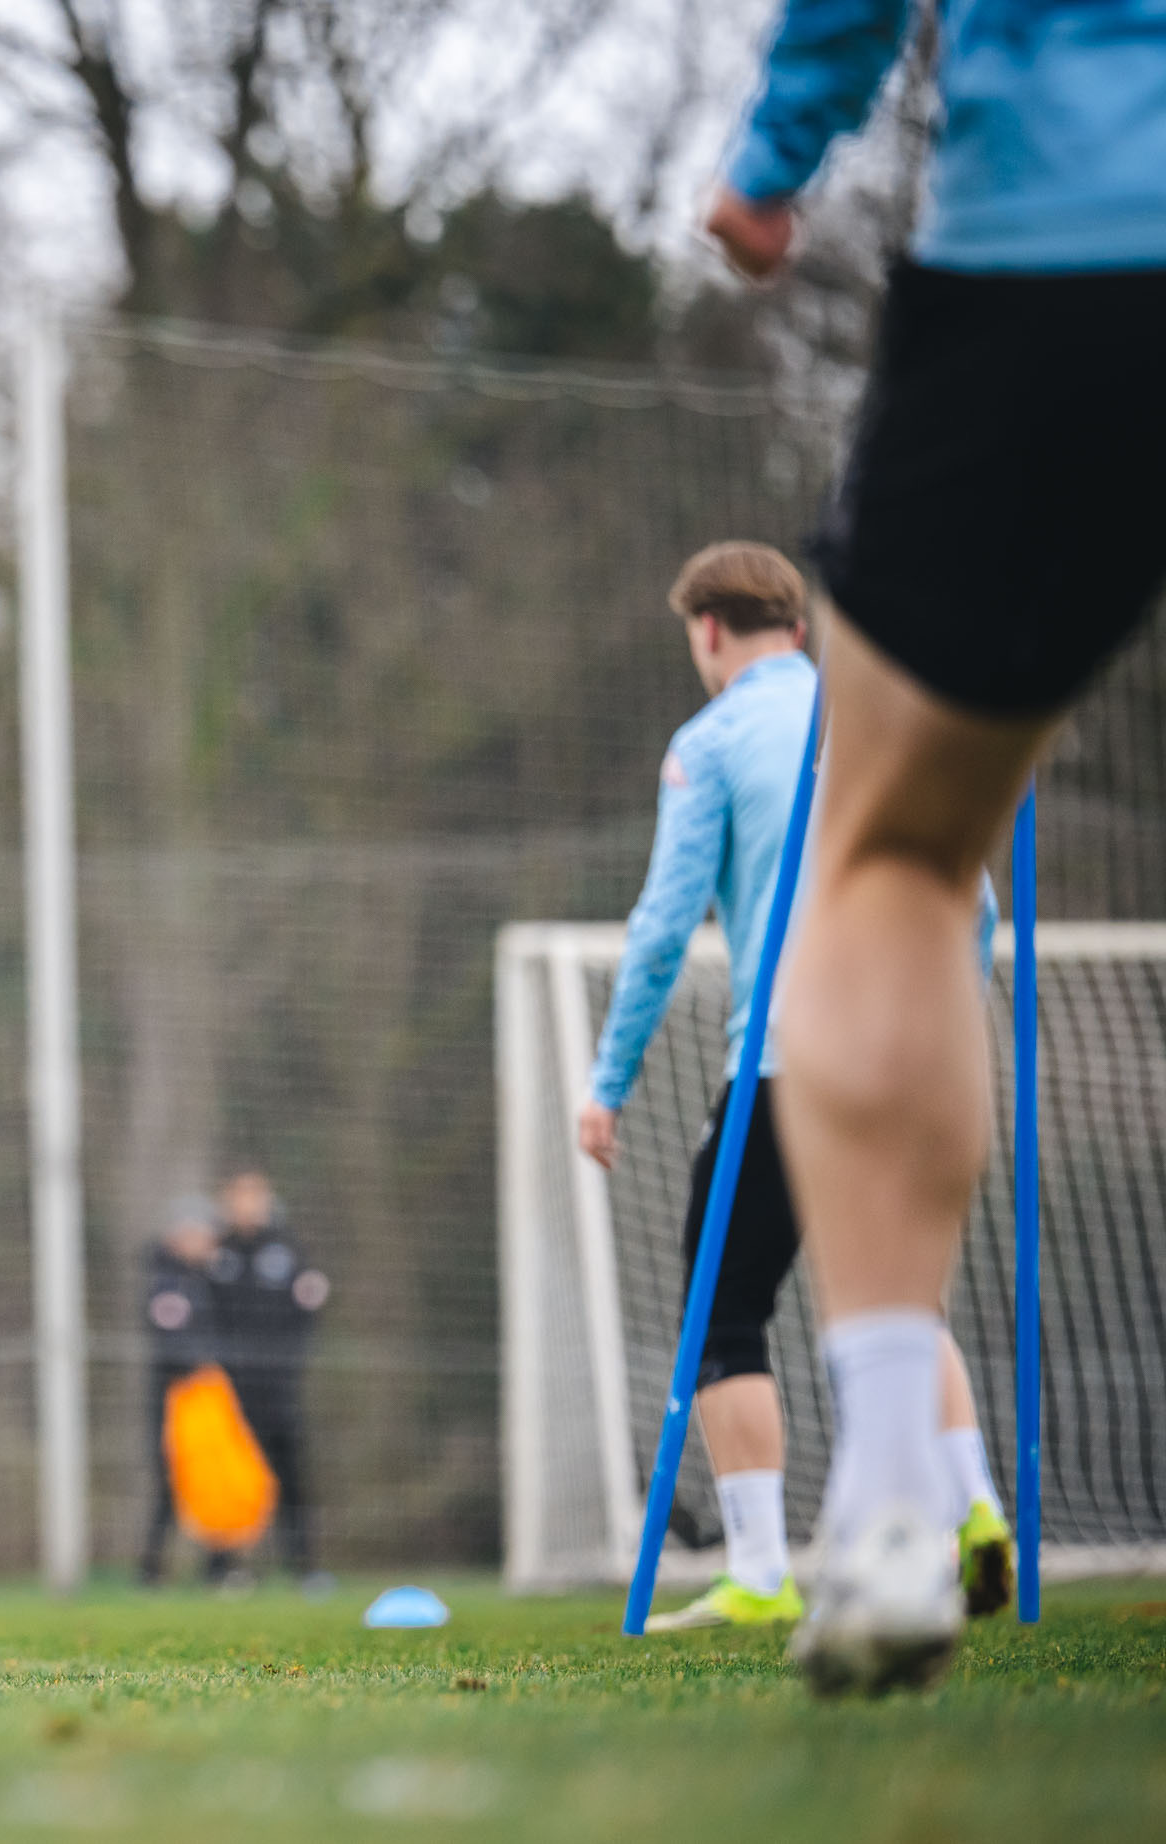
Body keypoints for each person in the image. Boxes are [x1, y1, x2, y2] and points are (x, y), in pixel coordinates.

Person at [703, 0, 1166, 1694]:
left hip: (1057, 245)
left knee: (892, 861)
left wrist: (771, 165)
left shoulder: (713, 743)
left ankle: (894, 1502)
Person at [579, 543, 1013, 1635]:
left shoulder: (713, 741)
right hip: (910, 1047)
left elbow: (665, 924)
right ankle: (977, 1515)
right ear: (803, 631)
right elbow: (980, 910)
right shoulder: (881, 719)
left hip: (790, 1053)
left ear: (709, 631)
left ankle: (762, 1570)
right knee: (893, 1296)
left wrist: (608, 1079)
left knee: (721, 1311)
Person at [206, 1170, 328, 1584]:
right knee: (230, 1478)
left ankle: (303, 1566)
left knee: (290, 1475)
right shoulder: (216, 1252)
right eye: (239, 1198)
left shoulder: (289, 1249)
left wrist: (291, 1357)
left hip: (279, 1386)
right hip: (230, 1388)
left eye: (254, 1197)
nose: (247, 1206)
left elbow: (310, 1303)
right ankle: (227, 1568)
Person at [135, 1195, 224, 1586]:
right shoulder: (166, 1281)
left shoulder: (211, 1280)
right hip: (181, 1396)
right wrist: (200, 1368)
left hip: (213, 1394)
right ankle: (152, 1567)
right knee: (174, 1481)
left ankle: (221, 1567)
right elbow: (171, 1340)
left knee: (216, 1480)